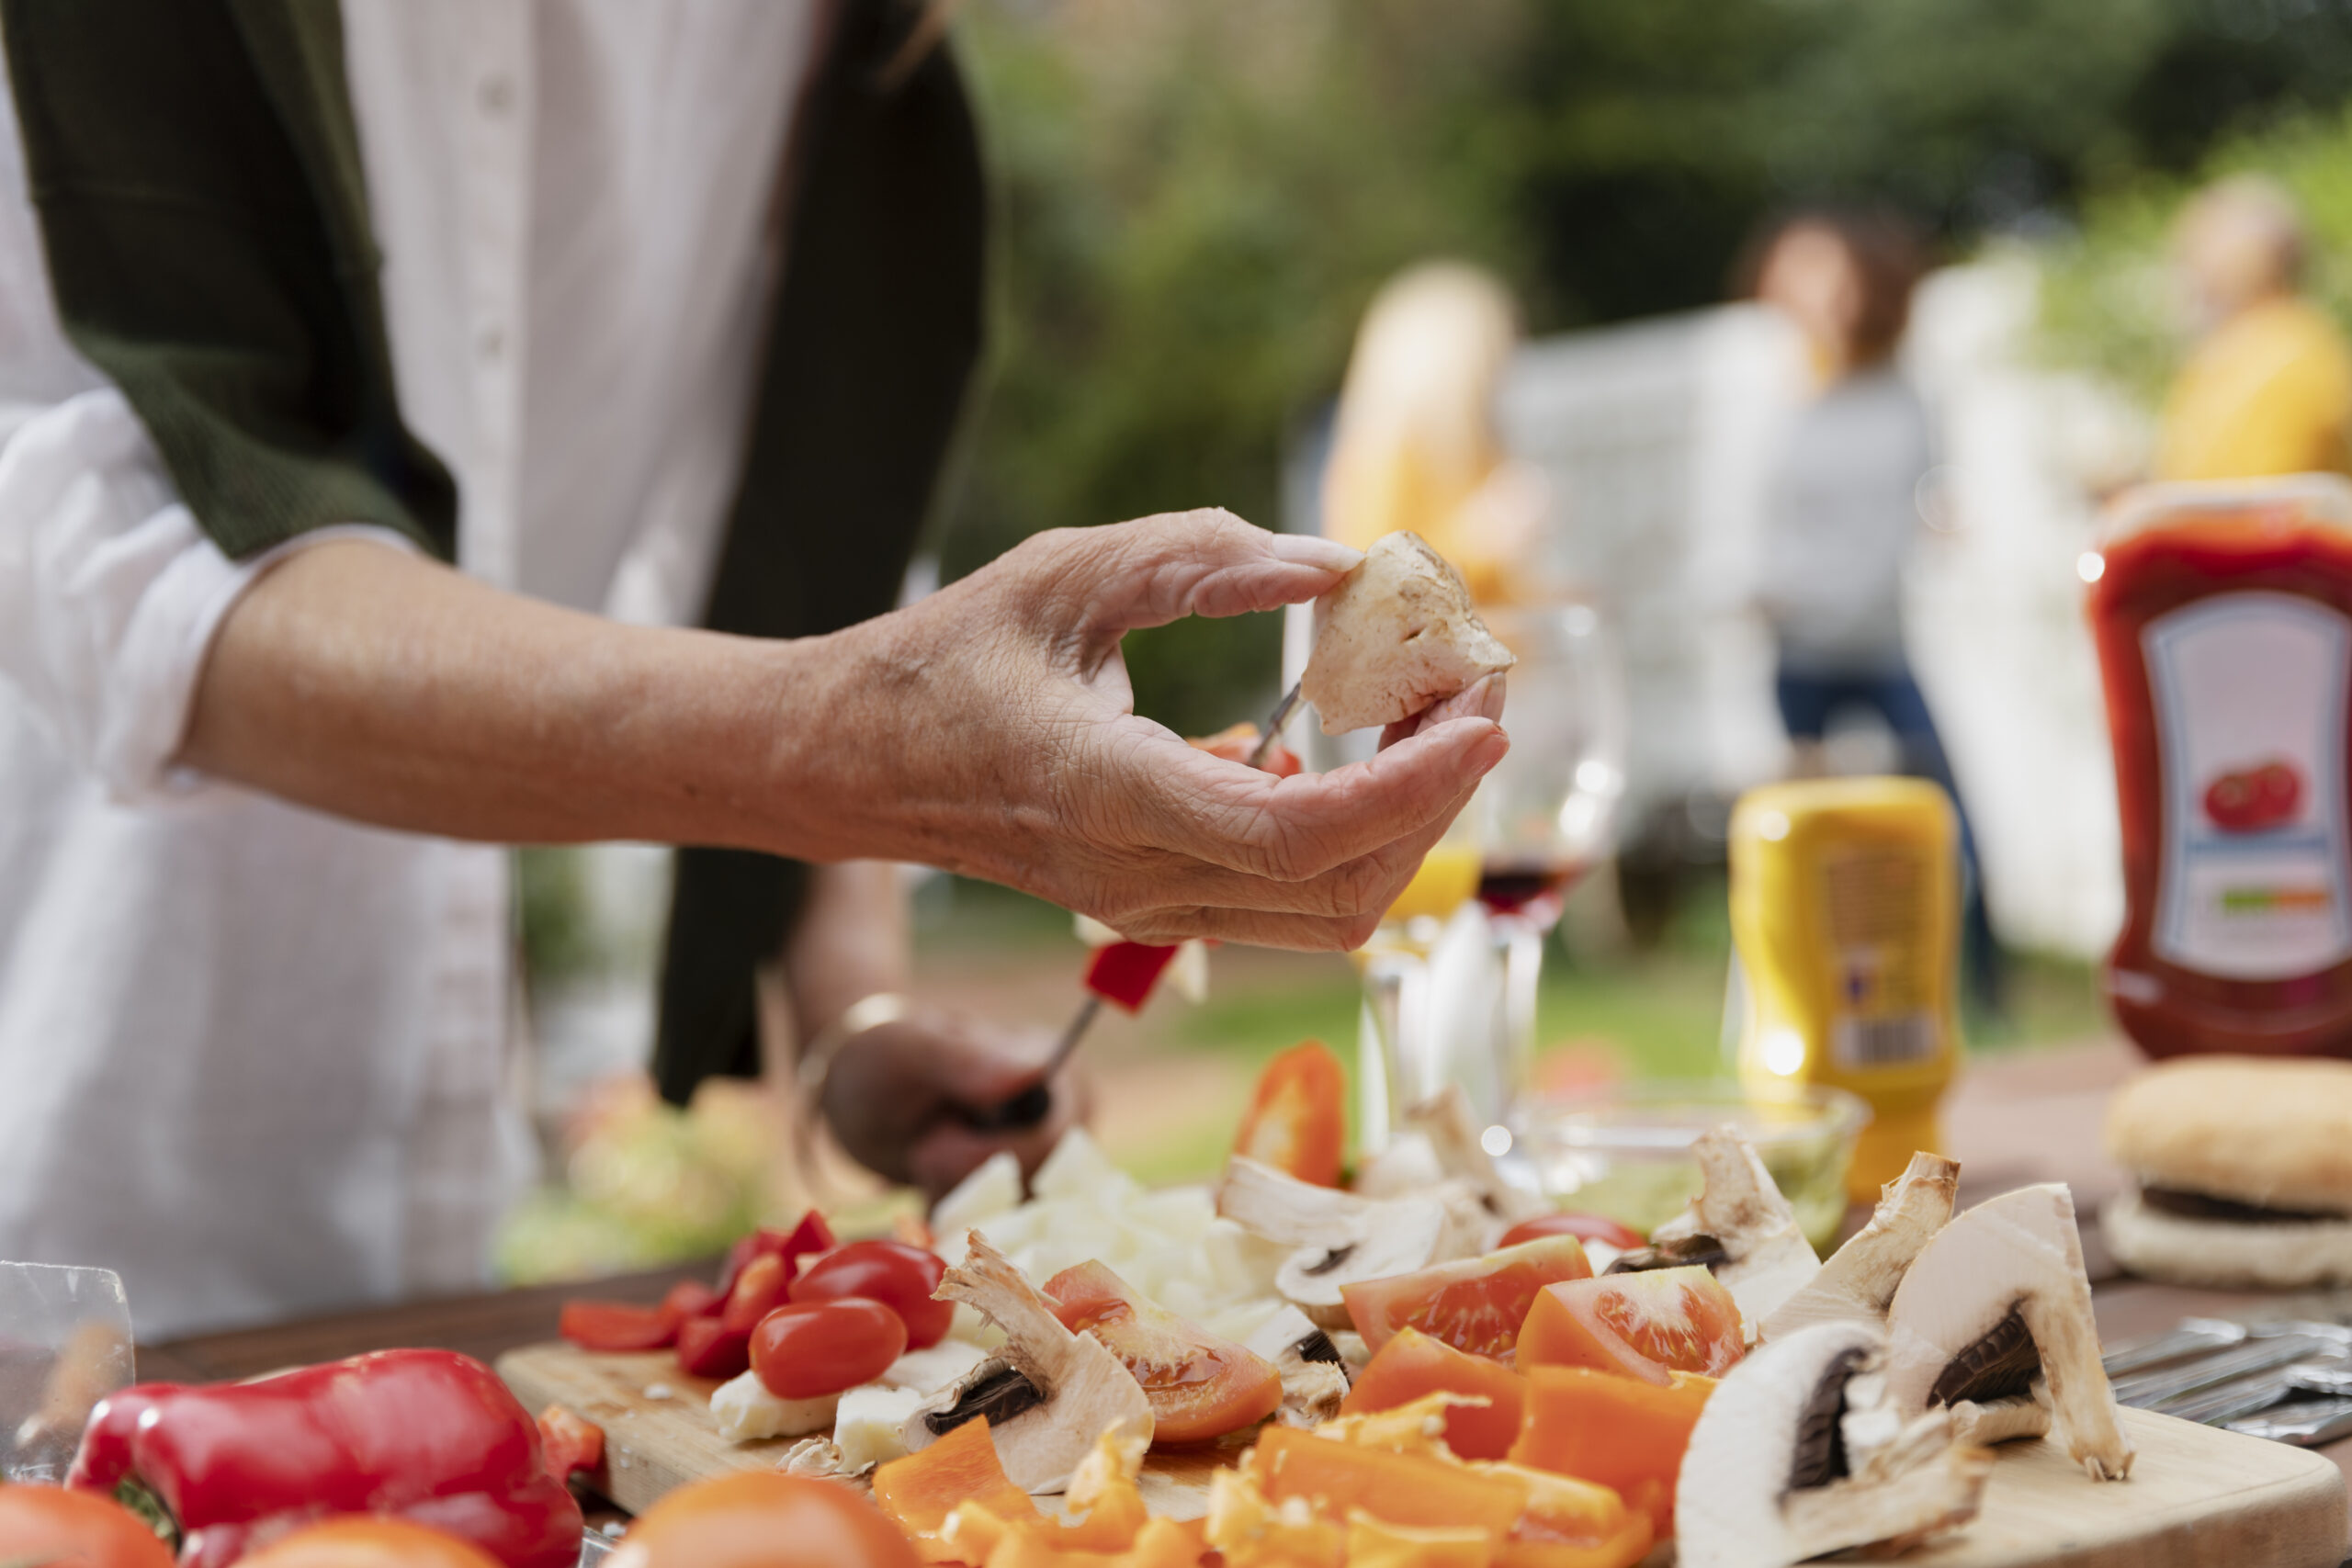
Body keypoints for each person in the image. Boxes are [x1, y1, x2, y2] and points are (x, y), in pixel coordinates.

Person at [0, 1, 1507, 1337]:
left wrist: (855, 1017)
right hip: (42, 1183)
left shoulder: (847, 50)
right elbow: (136, 567)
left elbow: (803, 567)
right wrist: (852, 746)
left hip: (423, 1260)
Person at [1747, 209, 2002, 1013]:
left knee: (1942, 814)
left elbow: (1923, 506)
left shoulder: (1904, 397)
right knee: (1801, 834)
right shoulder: (1786, 393)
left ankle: (1981, 987)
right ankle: (1806, 994)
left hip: (1880, 641)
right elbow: (1771, 523)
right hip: (1801, 649)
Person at [1320, 262, 1552, 605]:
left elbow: (1500, 594)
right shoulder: (1384, 456)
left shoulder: (1476, 448)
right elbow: (1377, 579)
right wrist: (1483, 543)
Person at [2154, 175, 2352, 483]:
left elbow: (2260, 498)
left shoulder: (2291, 355)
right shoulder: (2233, 351)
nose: (2185, 267)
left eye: (2199, 246)